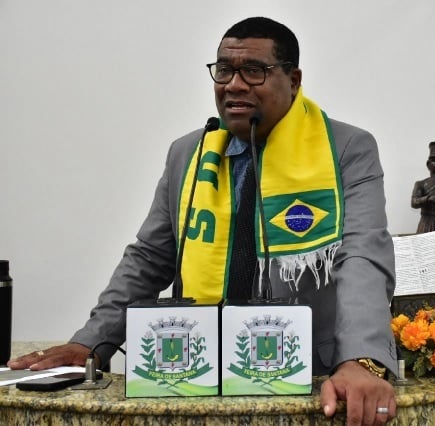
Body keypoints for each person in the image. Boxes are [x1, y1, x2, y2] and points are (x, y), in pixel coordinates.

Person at [9, 17, 397, 425]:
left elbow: (362, 256)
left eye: (254, 71)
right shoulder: (188, 153)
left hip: (309, 378)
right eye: (225, 70)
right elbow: (149, 258)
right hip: (194, 372)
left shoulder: (345, 149)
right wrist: (91, 343)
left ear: (294, 80)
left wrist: (362, 360)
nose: (234, 85)